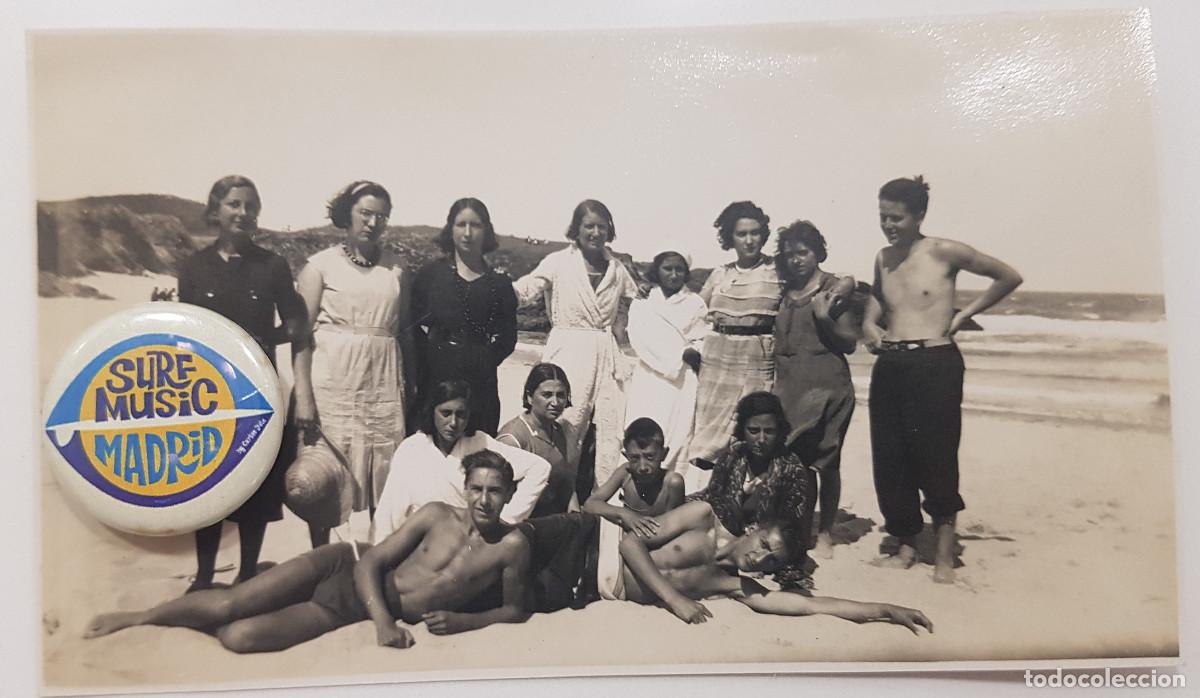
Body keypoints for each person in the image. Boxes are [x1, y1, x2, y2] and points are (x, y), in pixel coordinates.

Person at [83, 451, 535, 652]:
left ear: (510, 493)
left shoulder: (511, 547)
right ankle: (138, 617)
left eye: (494, 491)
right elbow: (374, 560)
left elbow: (515, 609)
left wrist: (464, 621)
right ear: (465, 486)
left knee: (237, 637)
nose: (483, 500)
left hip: (350, 608)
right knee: (229, 603)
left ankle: (229, 604)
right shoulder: (437, 514)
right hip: (348, 567)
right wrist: (383, 624)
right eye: (476, 488)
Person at [863, 175, 1023, 583]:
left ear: (919, 215)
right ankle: (905, 544)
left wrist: (965, 314)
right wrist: (869, 326)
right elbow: (878, 304)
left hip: (935, 363)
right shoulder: (883, 257)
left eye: (896, 217)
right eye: (883, 216)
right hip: (891, 365)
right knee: (891, 460)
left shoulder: (943, 250)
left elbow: (1007, 275)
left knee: (936, 456)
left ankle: (945, 554)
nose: (888, 225)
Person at [176, 175, 307, 592]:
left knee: (257, 480)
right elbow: (186, 328)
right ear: (215, 211)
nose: (243, 213)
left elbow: (298, 322)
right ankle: (203, 575)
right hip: (207, 391)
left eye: (251, 206)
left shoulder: (272, 265)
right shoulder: (194, 267)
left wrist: (266, 340)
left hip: (258, 388)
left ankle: (249, 571)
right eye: (234, 204)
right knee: (209, 480)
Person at [286, 180, 412, 547]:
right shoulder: (318, 267)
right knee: (322, 472)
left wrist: (411, 386)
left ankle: (371, 555)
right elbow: (301, 338)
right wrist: (304, 396)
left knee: (379, 472)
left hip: (382, 383)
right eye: (365, 213)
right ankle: (320, 558)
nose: (373, 223)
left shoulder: (398, 268)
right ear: (347, 215)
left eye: (381, 216)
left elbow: (402, 332)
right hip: (332, 386)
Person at [612, 500, 932, 634]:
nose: (760, 559)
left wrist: (888, 610)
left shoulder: (734, 585)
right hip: (591, 548)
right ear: (754, 530)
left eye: (772, 561)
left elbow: (811, 605)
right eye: (765, 545)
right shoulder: (701, 516)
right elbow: (629, 543)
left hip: (597, 588)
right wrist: (674, 599)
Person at [513, 200, 641, 490]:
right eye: (589, 226)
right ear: (577, 229)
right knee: (565, 423)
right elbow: (526, 289)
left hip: (606, 352)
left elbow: (632, 304)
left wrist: (622, 330)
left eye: (602, 225)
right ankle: (555, 496)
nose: (595, 232)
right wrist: (494, 292)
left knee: (611, 432)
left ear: (610, 229)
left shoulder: (617, 268)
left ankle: (603, 508)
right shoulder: (559, 261)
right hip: (568, 348)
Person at [772, 221, 859, 559]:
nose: (796, 260)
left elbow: (850, 343)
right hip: (790, 388)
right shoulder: (782, 291)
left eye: (803, 252)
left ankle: (826, 532)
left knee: (828, 462)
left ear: (818, 253)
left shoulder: (833, 289)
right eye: (790, 254)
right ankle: (805, 526)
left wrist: (825, 318)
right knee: (799, 462)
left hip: (829, 386)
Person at [371, 380, 550, 543]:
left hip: (467, 543)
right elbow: (389, 511)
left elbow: (539, 468)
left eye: (461, 415)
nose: (453, 423)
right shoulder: (411, 448)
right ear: (432, 411)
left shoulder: (480, 443)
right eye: (446, 413)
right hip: (420, 543)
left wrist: (507, 520)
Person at [687, 201, 783, 485]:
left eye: (755, 233)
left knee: (753, 428)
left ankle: (750, 502)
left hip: (757, 354)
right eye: (742, 234)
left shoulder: (777, 271)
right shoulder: (720, 274)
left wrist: (845, 283)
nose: (749, 240)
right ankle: (719, 499)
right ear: (731, 237)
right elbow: (692, 311)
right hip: (717, 358)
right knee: (712, 439)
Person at [411, 198, 517, 436]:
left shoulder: (499, 282)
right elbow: (412, 326)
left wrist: (483, 359)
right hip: (435, 376)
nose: (467, 233)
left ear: (486, 230)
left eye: (475, 225)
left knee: (475, 448)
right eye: (461, 225)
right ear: (451, 229)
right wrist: (425, 362)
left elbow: (508, 337)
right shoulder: (432, 275)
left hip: (480, 382)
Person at [689, 392, 814, 588]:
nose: (761, 439)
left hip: (763, 545)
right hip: (728, 532)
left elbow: (793, 527)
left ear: (779, 431)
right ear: (742, 430)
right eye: (754, 430)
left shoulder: (792, 468)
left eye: (769, 431)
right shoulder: (733, 456)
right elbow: (713, 497)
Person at [623, 251, 709, 473]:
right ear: (657, 270)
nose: (673, 274)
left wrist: (692, 351)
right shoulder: (643, 301)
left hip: (683, 381)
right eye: (667, 268)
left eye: (679, 269)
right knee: (642, 429)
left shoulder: (696, 303)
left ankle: (672, 491)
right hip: (650, 375)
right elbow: (638, 337)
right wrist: (675, 357)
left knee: (678, 434)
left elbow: (703, 338)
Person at [497, 363, 586, 516]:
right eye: (547, 395)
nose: (555, 402)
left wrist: (575, 517)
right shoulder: (513, 438)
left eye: (561, 395)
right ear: (530, 397)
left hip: (552, 519)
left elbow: (567, 484)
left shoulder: (558, 430)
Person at [584, 417, 685, 537]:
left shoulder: (672, 483)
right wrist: (623, 513)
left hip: (661, 548)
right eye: (635, 458)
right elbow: (590, 504)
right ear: (626, 456)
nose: (642, 467)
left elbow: (673, 530)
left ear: (664, 454)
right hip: (628, 548)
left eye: (650, 457)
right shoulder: (626, 474)